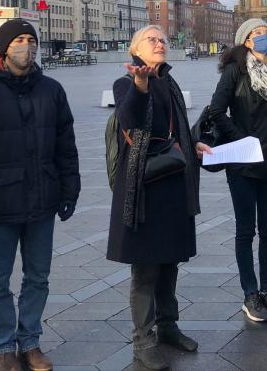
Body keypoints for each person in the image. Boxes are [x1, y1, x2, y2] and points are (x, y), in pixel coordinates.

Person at [0, 19, 81, 371]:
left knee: (38, 277)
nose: (26, 46)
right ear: (2, 48)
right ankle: (2, 347)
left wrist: (69, 188)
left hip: (42, 199)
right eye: (19, 40)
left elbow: (65, 144)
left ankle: (30, 342)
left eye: (31, 40)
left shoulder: (52, 90)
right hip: (0, 204)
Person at [107, 25, 209, 371]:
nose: (160, 43)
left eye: (163, 39)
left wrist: (191, 142)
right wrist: (139, 85)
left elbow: (174, 127)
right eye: (152, 40)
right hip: (144, 186)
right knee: (146, 268)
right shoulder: (128, 82)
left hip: (173, 183)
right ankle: (143, 340)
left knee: (170, 262)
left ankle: (168, 326)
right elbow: (130, 118)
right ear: (135, 49)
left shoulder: (169, 81)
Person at [209, 18, 267, 323]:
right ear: (246, 41)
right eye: (258, 34)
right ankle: (250, 294)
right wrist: (242, 140)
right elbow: (217, 110)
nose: (265, 37)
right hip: (242, 161)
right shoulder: (234, 71)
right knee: (246, 231)